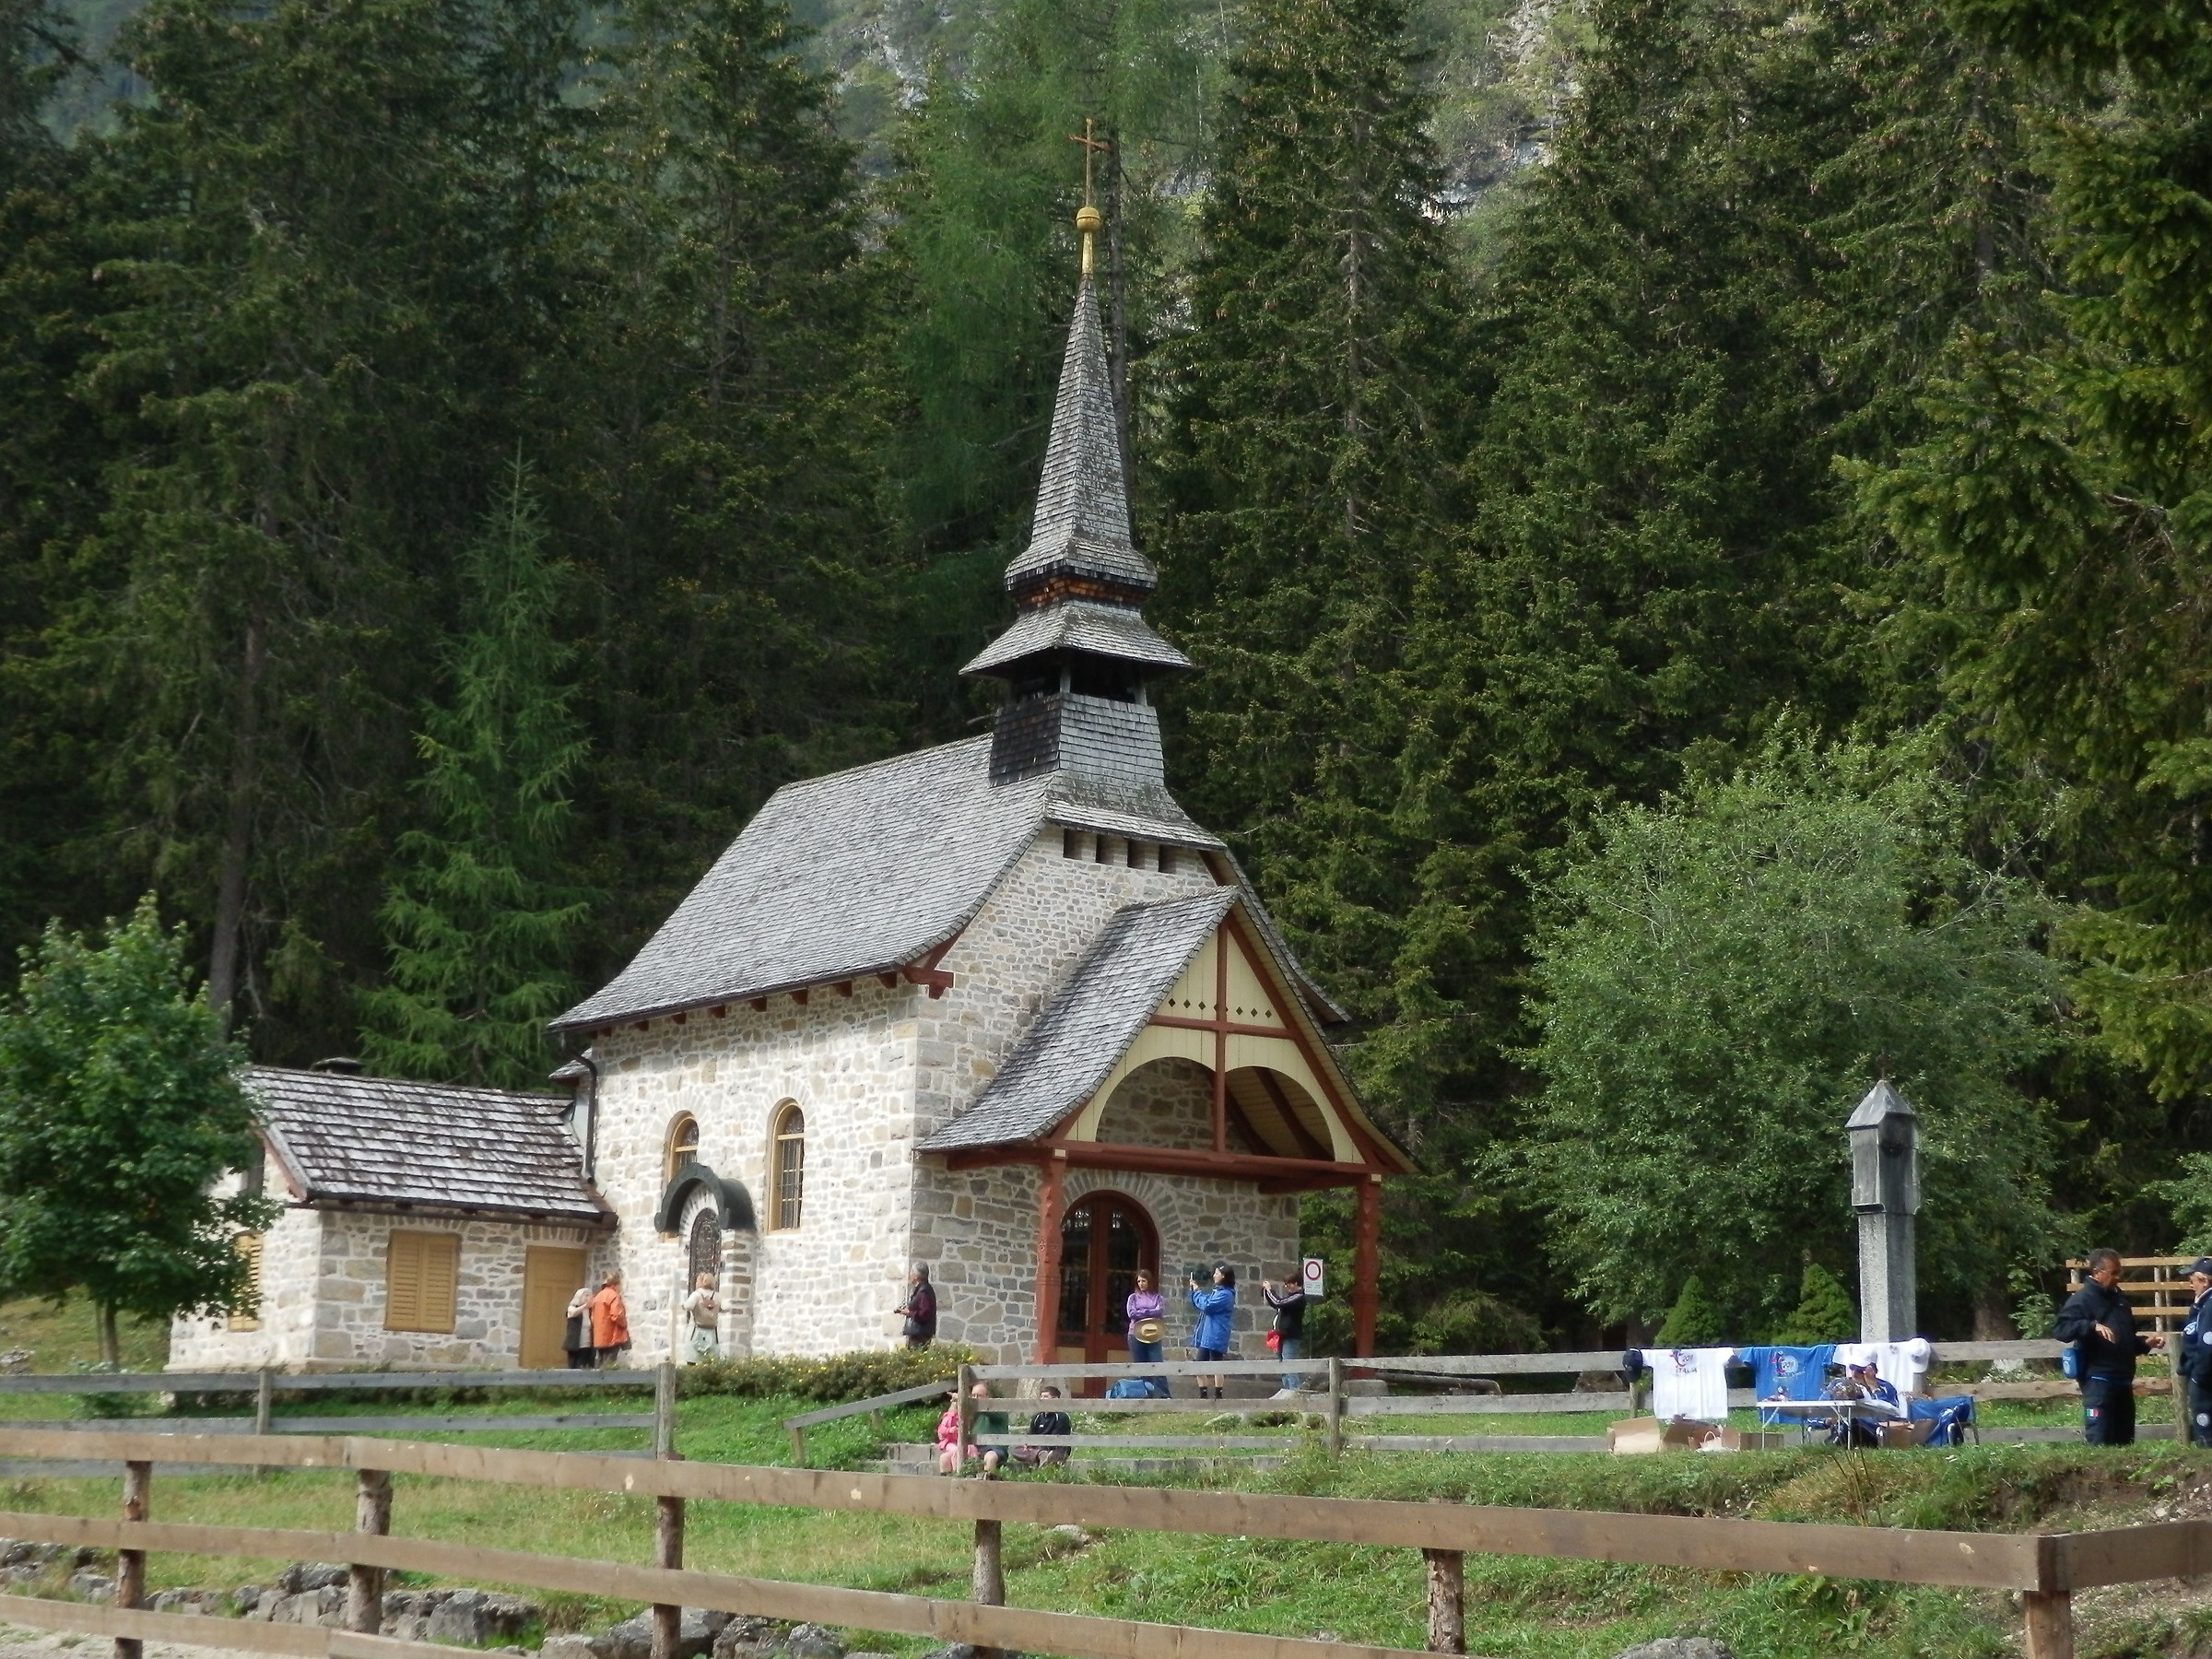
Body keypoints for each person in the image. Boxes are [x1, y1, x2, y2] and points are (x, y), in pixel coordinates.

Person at [2055, 1246, 2164, 1445]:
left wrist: (2144, 1344)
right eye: (2114, 1273)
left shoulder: (2121, 1300)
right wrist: (2091, 1326)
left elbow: (2125, 1338)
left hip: (2123, 1381)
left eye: (2119, 1272)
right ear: (2097, 1273)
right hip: (2098, 1380)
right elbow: (2061, 1330)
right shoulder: (2082, 1299)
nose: (2118, 1277)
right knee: (2100, 1441)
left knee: (2125, 1443)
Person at [1188, 1265, 1237, 1401]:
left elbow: (1207, 1306)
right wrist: (1194, 1292)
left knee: (1216, 1364)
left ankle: (1218, 1395)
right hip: (1207, 1334)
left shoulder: (1226, 1294)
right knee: (1199, 1365)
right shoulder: (1217, 1291)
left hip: (1217, 1334)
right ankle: (1203, 1396)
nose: (1214, 1275)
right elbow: (1202, 1303)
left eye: (1217, 1273)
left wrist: (1197, 1292)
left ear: (1224, 1276)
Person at [2179, 1257, 2212, 1448]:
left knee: (2206, 1435)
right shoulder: (2202, 1305)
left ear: (2205, 1281)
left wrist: (2199, 1378)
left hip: (2206, 1383)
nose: (2191, 1285)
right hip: (2202, 1380)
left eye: (2193, 1280)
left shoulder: (2210, 1306)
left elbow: (2208, 1346)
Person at [1262, 1276, 1307, 1396]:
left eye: (1288, 1284)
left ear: (1296, 1283)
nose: (1286, 1286)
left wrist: (1270, 1290)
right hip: (1281, 1335)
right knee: (1282, 1365)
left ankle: (1294, 1393)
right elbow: (1276, 1304)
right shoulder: (1291, 1297)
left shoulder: (1299, 1297)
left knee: (1289, 1364)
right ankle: (1286, 1392)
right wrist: (1266, 1292)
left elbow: (1278, 1302)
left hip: (1291, 1336)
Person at [1010, 1384, 1072, 1469]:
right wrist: (1028, 1445)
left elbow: (1056, 1440)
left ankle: (1044, 1457)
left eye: (1046, 1396)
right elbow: (1031, 1436)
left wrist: (1037, 1447)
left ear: (1055, 1399)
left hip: (1055, 1450)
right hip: (1039, 1449)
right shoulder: (1037, 1417)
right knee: (1015, 1449)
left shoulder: (1062, 1417)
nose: (1042, 1399)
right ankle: (1040, 1455)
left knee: (1054, 1454)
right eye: (1041, 1396)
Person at [1125, 1269, 1167, 1381]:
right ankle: (1142, 1392)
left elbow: (1160, 1311)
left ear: (1149, 1281)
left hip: (1154, 1333)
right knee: (1139, 1366)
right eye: (1139, 1281)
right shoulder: (1133, 1298)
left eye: (1143, 1281)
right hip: (1136, 1333)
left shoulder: (1157, 1298)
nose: (1141, 1284)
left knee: (1157, 1365)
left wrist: (1143, 1312)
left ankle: (1163, 1395)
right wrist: (1149, 1312)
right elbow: (1132, 1313)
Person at [588, 1270, 630, 1369]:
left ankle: (597, 1384)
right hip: (612, 1336)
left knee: (601, 1364)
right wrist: (624, 1324)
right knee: (609, 1366)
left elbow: (593, 1318)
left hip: (599, 1337)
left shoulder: (598, 1296)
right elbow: (617, 1315)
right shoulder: (613, 1295)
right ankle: (605, 1384)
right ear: (616, 1283)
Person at [682, 1271, 720, 1364]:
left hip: (696, 1331)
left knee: (692, 1361)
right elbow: (727, 1307)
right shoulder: (717, 1296)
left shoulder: (696, 1295)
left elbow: (688, 1306)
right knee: (710, 1361)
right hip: (712, 1332)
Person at [897, 1264, 937, 1348]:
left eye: (912, 1272)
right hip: (917, 1334)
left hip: (920, 1335)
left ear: (916, 1276)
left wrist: (909, 1313)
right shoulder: (920, 1290)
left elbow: (925, 1313)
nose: (910, 1275)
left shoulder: (924, 1291)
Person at [562, 1282, 595, 1370]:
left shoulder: (590, 1311)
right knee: (574, 1367)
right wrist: (585, 1306)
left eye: (590, 1295)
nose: (588, 1297)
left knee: (586, 1367)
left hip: (587, 1345)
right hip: (575, 1344)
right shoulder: (572, 1307)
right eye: (586, 1295)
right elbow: (573, 1313)